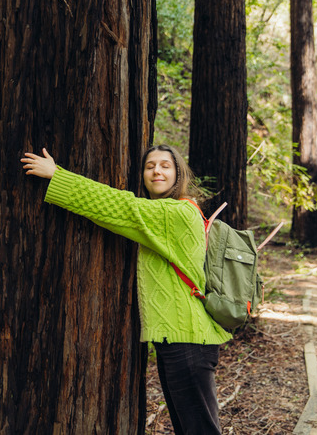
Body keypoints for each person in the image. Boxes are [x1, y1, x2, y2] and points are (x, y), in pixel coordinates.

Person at [21, 145, 232, 435]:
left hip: (188, 342)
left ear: (178, 174)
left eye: (165, 166)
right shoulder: (168, 213)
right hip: (179, 340)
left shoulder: (176, 212)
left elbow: (118, 207)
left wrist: (58, 175)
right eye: (149, 166)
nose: (157, 171)